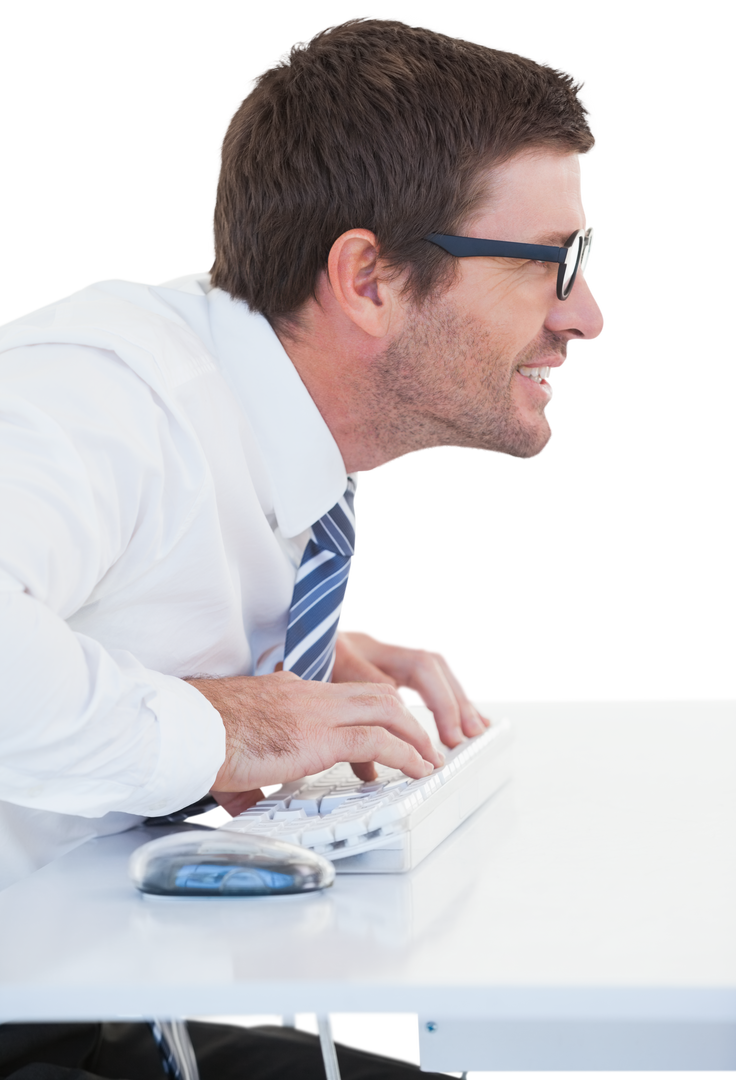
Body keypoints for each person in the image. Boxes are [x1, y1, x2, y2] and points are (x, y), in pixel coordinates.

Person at [0, 12, 606, 1078]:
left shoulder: (282, 420)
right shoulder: (96, 392)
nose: (586, 317)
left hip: (109, 1000)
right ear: (367, 280)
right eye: (548, 266)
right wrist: (220, 726)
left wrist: (301, 654)